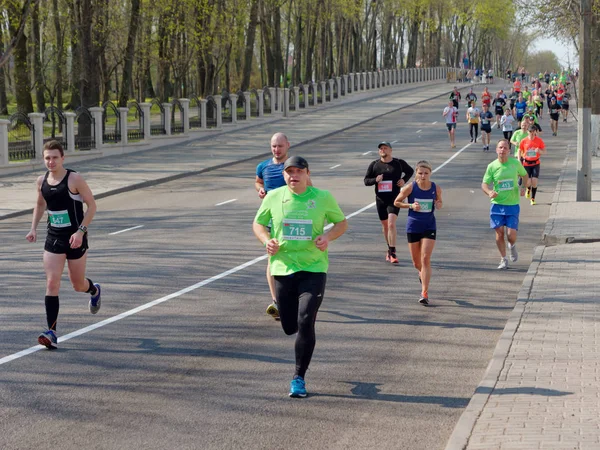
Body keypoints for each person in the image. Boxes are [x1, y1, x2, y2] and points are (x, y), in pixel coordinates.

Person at [253, 156, 348, 398]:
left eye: (298, 171)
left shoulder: (322, 197)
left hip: (313, 267)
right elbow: (258, 224)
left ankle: (298, 377)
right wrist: (267, 241)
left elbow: (341, 223)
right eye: (289, 171)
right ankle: (296, 331)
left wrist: (327, 237)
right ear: (284, 175)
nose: (293, 175)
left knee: (306, 320)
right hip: (283, 268)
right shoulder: (275, 197)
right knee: (289, 326)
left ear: (307, 174)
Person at [25, 140, 101, 350]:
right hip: (54, 238)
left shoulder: (74, 178)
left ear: (63, 158)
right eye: (47, 158)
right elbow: (40, 204)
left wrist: (80, 231)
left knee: (78, 285)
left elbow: (92, 206)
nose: (51, 161)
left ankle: (93, 290)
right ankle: (52, 332)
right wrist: (33, 228)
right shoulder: (41, 181)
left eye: (54, 157)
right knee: (52, 283)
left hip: (75, 237)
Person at [255, 133, 308, 320]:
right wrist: (260, 189)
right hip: (273, 218)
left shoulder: (294, 168)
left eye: (280, 146)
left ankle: (298, 293)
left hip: (294, 217)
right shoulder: (263, 166)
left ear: (288, 146)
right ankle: (277, 301)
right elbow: (258, 181)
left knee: (294, 255)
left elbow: (308, 188)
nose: (276, 149)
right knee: (272, 257)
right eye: (273, 146)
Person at [394, 160, 443, 305]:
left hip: (429, 225)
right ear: (416, 173)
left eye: (426, 173)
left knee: (425, 257)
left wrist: (439, 204)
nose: (423, 176)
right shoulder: (410, 187)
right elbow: (396, 202)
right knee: (417, 263)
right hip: (413, 226)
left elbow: (439, 201)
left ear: (430, 174)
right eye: (420, 173)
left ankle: (424, 292)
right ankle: (422, 275)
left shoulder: (435, 188)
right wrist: (410, 205)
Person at [364, 142, 414, 264]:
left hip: (395, 199)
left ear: (390, 150)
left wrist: (403, 180)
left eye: (385, 148)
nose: (382, 150)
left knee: (391, 223)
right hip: (380, 199)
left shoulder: (398, 163)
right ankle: (389, 248)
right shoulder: (374, 165)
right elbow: (366, 181)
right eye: (380, 148)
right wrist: (375, 180)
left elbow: (410, 171)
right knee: (385, 225)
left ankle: (393, 252)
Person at [481, 140, 528, 270]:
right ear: (496, 150)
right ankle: (503, 259)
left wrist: (524, 187)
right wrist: (489, 192)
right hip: (497, 205)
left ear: (509, 151)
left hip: (512, 204)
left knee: (511, 235)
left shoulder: (515, 163)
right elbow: (484, 184)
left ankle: (512, 246)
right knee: (499, 233)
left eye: (505, 148)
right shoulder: (492, 166)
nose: (502, 150)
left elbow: (524, 175)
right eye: (500, 147)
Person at [519, 125, 546, 205]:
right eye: (530, 132)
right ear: (528, 132)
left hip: (535, 163)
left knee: (534, 181)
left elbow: (544, 151)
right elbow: (520, 150)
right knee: (528, 182)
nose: (531, 133)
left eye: (533, 132)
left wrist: (539, 151)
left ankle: (533, 198)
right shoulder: (524, 141)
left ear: (535, 132)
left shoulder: (539, 141)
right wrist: (518, 159)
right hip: (526, 163)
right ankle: (528, 188)